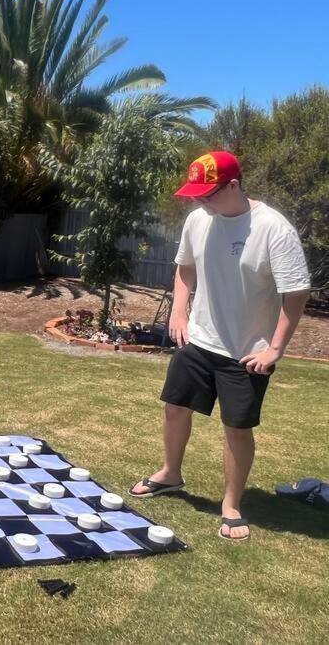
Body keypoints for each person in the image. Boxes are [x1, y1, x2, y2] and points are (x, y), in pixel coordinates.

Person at [129, 151, 311, 541]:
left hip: (247, 351)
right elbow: (186, 267)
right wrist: (179, 312)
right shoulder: (198, 220)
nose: (199, 201)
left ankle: (231, 505)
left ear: (233, 186)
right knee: (175, 407)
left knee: (236, 428)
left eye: (207, 193)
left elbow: (296, 293)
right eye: (195, 194)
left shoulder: (272, 228)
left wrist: (275, 349)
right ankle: (170, 474)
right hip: (200, 338)